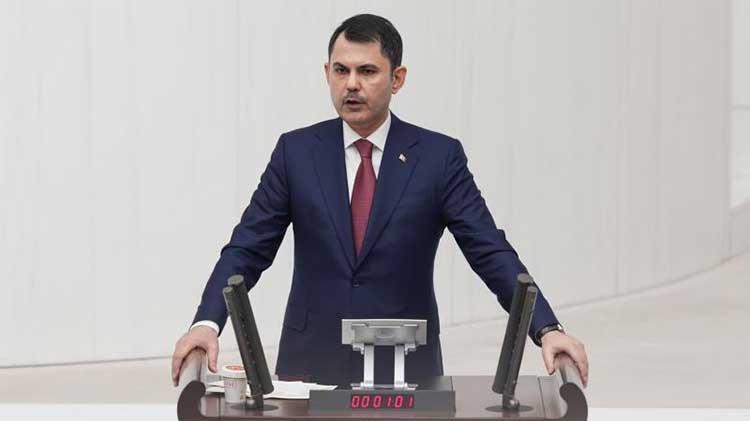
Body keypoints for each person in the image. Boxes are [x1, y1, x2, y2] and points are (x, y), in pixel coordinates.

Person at [172, 13, 588, 387]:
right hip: (311, 364)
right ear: (327, 73)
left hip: (406, 368)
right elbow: (247, 248)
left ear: (397, 78)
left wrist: (546, 329)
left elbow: (489, 250)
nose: (351, 84)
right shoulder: (295, 153)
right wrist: (207, 322)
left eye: (367, 71)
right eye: (341, 70)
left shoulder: (438, 158)